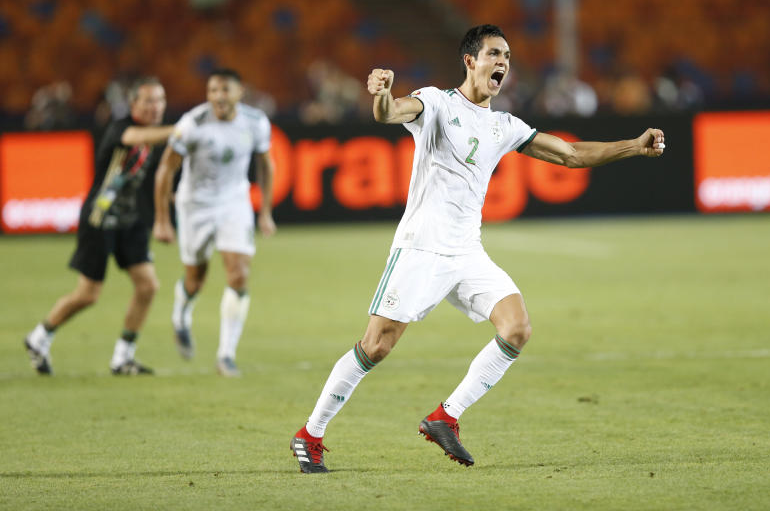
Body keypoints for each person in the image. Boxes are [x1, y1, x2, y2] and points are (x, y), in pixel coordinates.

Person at [289, 25, 666, 473]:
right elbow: (390, 113)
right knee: (376, 345)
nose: (502, 61)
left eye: (507, 54)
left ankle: (444, 417)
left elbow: (570, 155)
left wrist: (633, 146)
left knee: (517, 328)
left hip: (467, 252)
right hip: (421, 249)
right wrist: (383, 93)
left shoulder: (504, 125)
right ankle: (309, 434)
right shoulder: (436, 103)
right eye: (493, 53)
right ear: (470, 60)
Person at [24, 77, 174, 376]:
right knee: (88, 294)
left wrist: (160, 218)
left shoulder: (155, 135)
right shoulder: (121, 127)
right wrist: (182, 129)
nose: (155, 107)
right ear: (133, 104)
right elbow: (133, 138)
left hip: (129, 221)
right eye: (148, 100)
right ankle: (39, 336)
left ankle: (122, 357)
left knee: (148, 286)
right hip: (100, 218)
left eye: (160, 100)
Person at [152, 68, 275, 377]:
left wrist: (265, 211)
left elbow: (266, 165)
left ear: (239, 92)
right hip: (195, 205)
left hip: (234, 202)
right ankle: (181, 315)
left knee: (239, 275)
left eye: (225, 90)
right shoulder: (192, 124)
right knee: (196, 279)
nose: (219, 97)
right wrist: (162, 220)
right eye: (213, 91)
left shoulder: (256, 122)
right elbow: (165, 170)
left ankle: (226, 356)